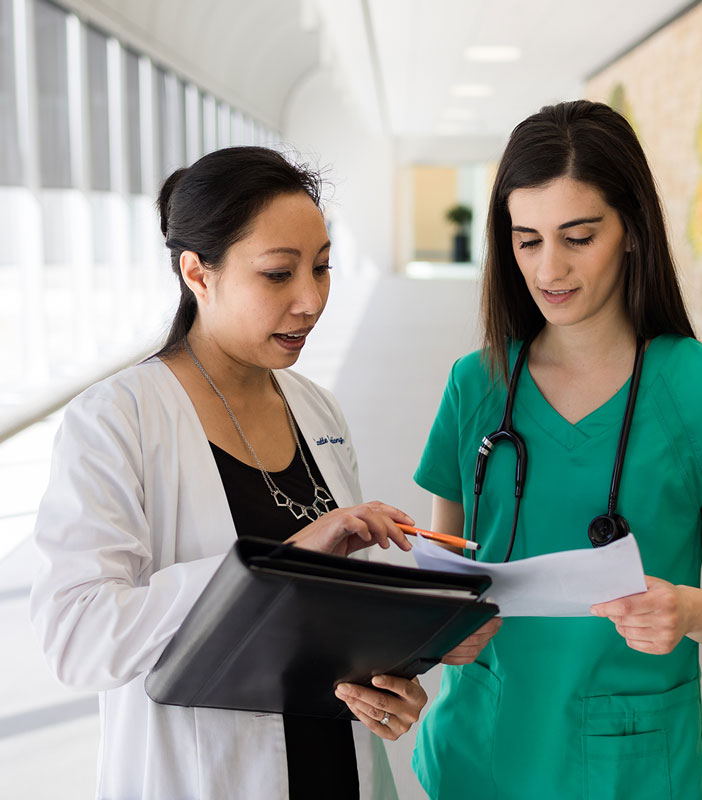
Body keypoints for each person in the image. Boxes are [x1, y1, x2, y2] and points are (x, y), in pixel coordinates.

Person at [411, 100, 702, 799]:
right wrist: (435, 626)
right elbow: (445, 567)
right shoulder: (476, 384)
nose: (549, 268)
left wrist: (689, 610)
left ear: (632, 232)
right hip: (481, 745)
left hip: (629, 764)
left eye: (577, 236)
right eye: (527, 240)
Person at [29, 146, 428, 800]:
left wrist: (388, 678)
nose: (310, 300)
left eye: (323, 269)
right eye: (278, 274)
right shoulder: (115, 421)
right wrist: (269, 566)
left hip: (335, 768)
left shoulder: (315, 408)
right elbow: (79, 637)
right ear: (198, 274)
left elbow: (327, 616)